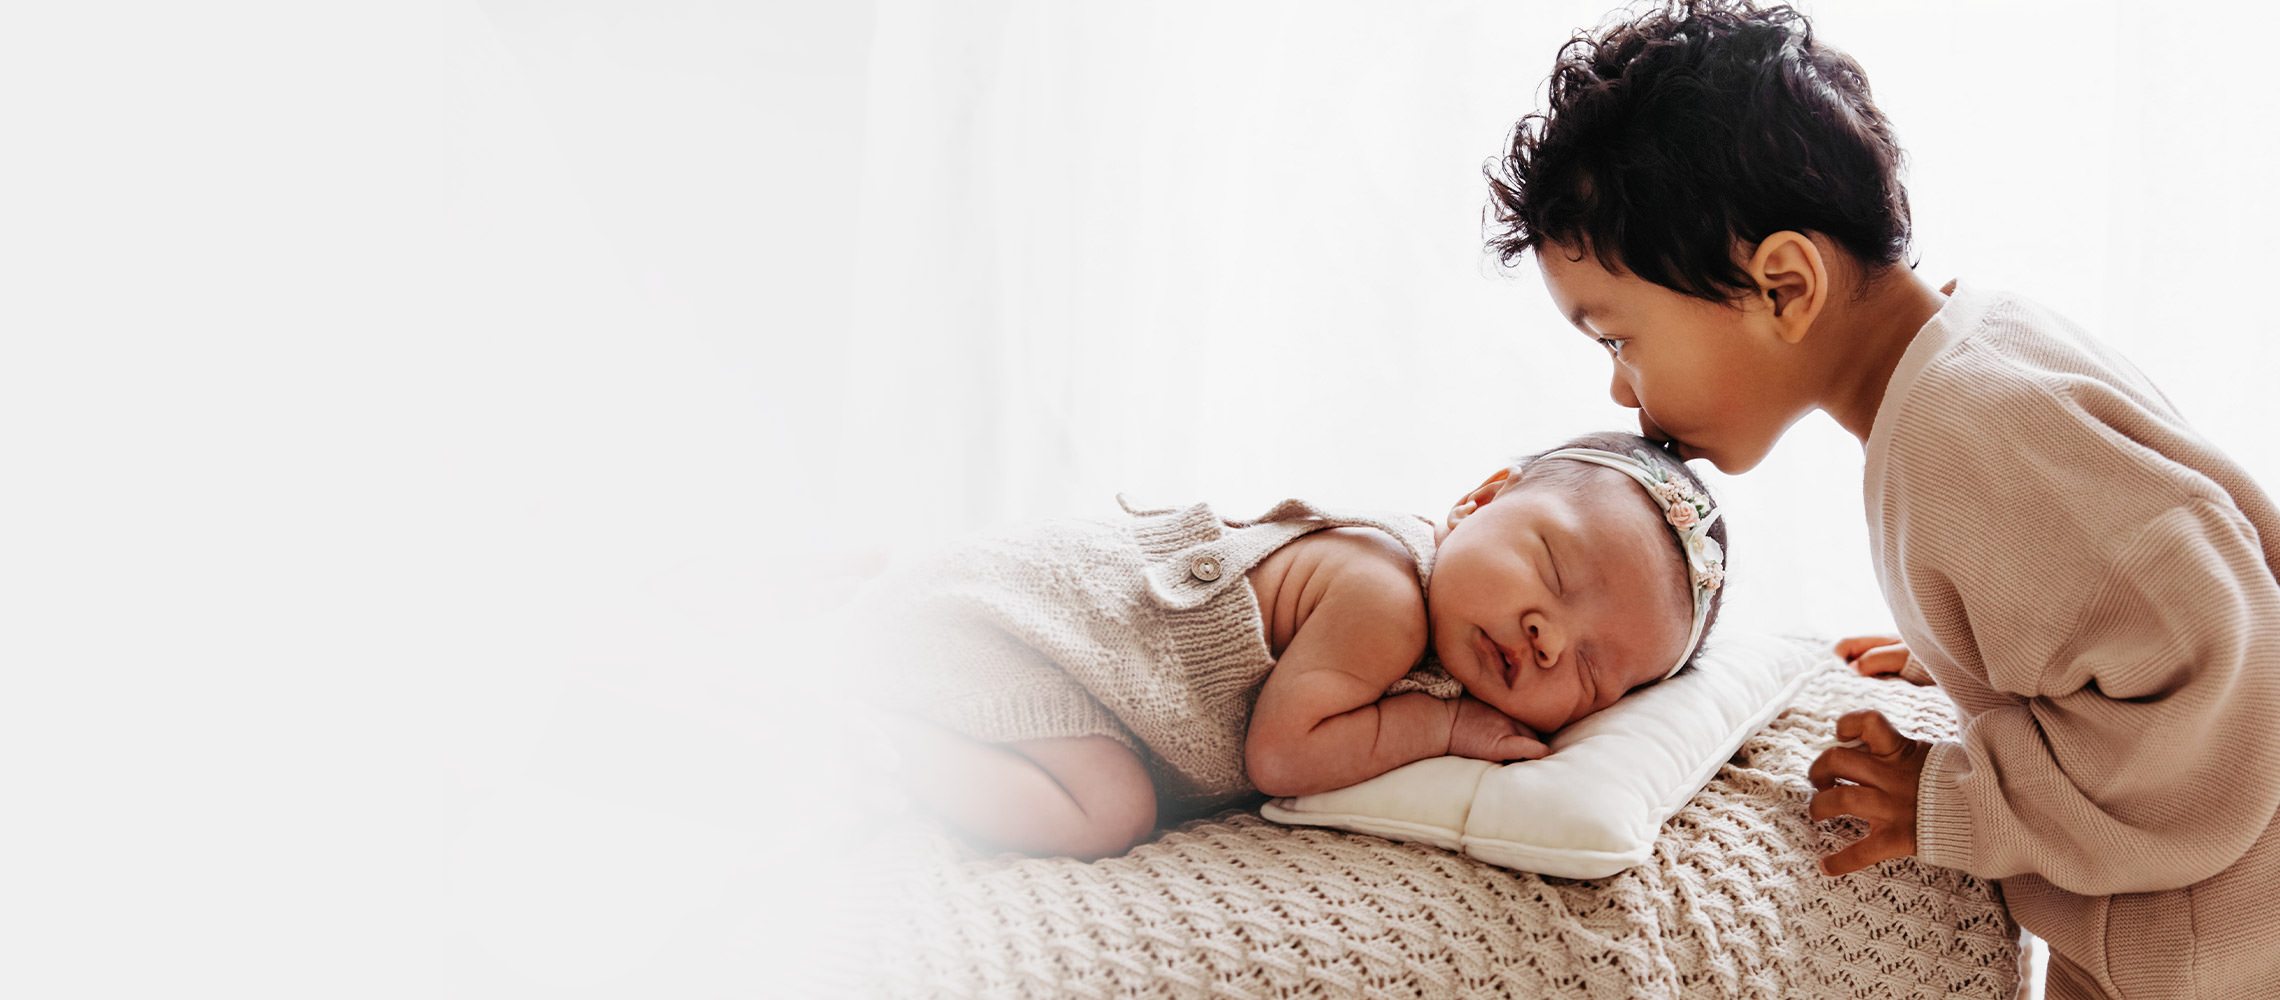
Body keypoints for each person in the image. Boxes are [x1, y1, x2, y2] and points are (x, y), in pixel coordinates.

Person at [1485, 2, 2280, 997]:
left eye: (1619, 338)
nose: (1618, 390)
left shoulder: (1974, 434)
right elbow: (2110, 596)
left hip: (2226, 948)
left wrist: (1958, 798)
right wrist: (1989, 658)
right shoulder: (1972, 365)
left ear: (1783, 286)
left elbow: (2230, 687)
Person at [850, 431, 1727, 860]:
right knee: (1108, 810)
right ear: (1480, 498)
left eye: (1591, 670)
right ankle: (871, 730)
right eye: (1553, 567)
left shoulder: (1448, 627)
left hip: (1061, 667)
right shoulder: (1386, 592)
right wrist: (1442, 732)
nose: (1548, 637)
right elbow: (1281, 752)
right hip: (1026, 636)